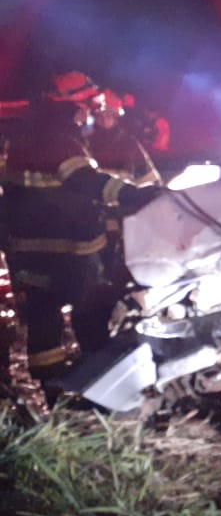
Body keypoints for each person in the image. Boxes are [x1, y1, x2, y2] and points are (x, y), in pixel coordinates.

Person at [1, 71, 160, 385]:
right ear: (74, 107)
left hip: (26, 249)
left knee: (42, 316)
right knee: (92, 311)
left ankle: (51, 389)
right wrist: (138, 195)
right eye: (89, 107)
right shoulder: (60, 139)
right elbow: (85, 181)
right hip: (69, 249)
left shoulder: (26, 135)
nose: (90, 115)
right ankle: (97, 382)